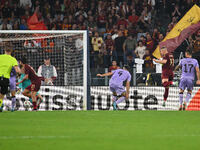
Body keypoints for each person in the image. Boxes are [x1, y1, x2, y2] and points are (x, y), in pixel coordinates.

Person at [0, 44, 21, 112]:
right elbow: (17, 70)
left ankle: (1, 105)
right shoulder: (13, 59)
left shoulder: (0, 57)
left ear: (4, 50)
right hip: (5, 78)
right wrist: (19, 74)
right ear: (11, 51)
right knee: (2, 93)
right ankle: (2, 105)